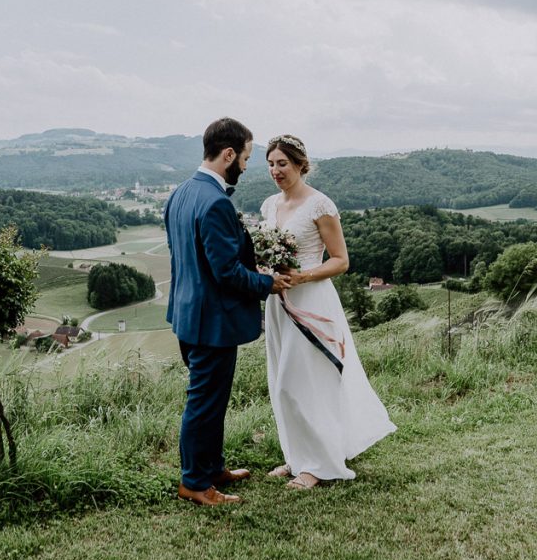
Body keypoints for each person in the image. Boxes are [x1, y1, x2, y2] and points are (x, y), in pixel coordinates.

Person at [164, 117, 291, 506]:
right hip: (211, 322)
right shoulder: (216, 201)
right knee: (202, 403)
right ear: (229, 154)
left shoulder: (181, 193)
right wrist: (268, 283)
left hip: (187, 316)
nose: (248, 166)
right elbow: (226, 272)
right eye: (248, 158)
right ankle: (194, 483)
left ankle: (213, 467)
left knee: (212, 399)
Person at [260, 134, 396, 490]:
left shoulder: (321, 205)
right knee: (281, 382)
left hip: (312, 302)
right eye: (271, 164)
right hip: (278, 303)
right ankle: (296, 457)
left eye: (283, 164)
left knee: (306, 381)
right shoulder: (269, 205)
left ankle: (319, 464)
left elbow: (341, 261)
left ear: (301, 164)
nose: (276, 171)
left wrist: (302, 275)